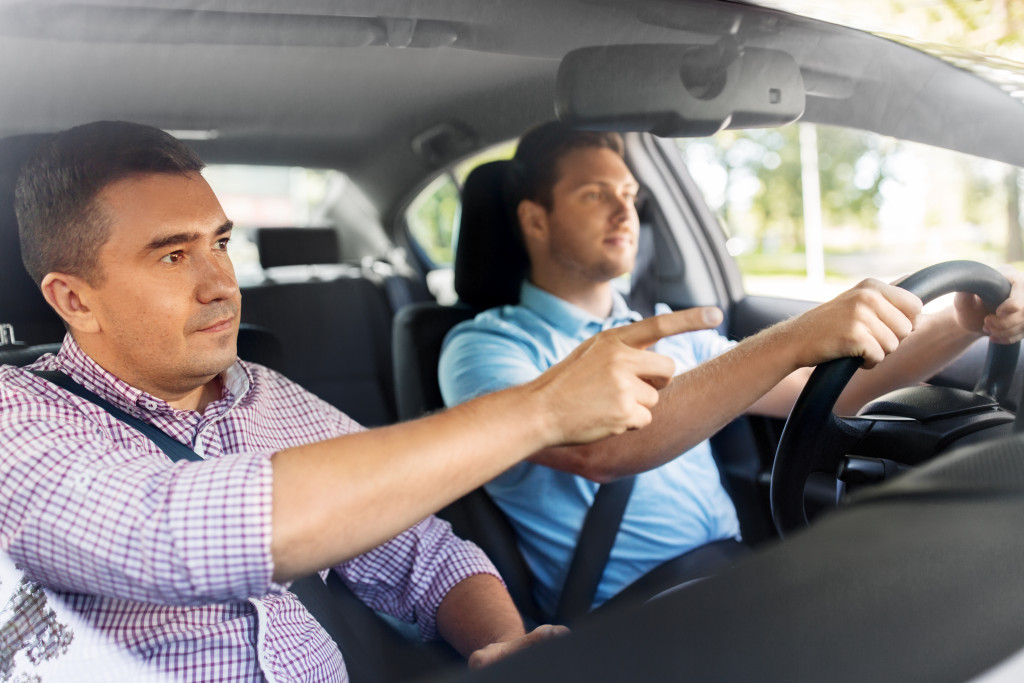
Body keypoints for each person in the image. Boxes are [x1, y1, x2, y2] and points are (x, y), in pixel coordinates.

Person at [0, 121, 716, 682]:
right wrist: (539, 409)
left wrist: (504, 642)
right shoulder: (19, 418)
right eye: (173, 255)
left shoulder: (268, 395)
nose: (221, 282)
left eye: (220, 243)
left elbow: (422, 550)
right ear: (73, 298)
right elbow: (176, 531)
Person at [438, 121, 1024, 617]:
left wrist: (961, 320)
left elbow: (842, 394)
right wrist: (797, 337)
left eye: (629, 192)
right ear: (535, 220)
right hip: (625, 618)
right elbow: (600, 453)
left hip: (738, 574)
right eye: (595, 193)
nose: (626, 210)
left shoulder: (668, 328)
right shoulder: (483, 347)